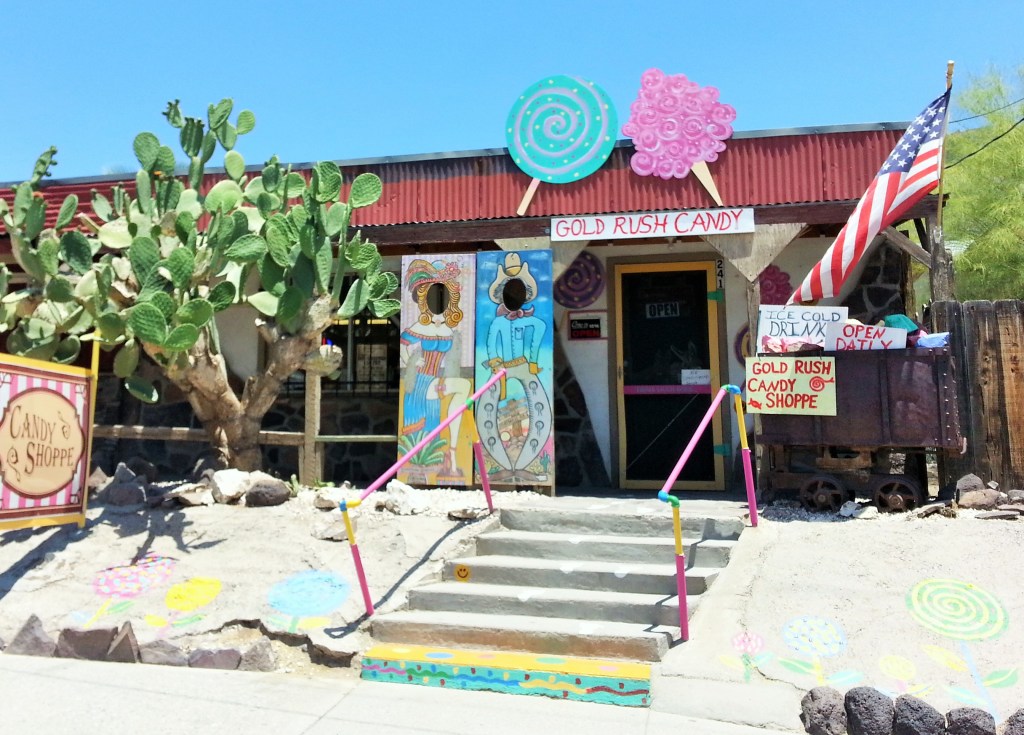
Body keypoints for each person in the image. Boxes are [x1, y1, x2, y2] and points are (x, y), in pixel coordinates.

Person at [476, 252, 551, 476]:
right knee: (487, 410)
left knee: (539, 410)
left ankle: (524, 464)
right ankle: (500, 463)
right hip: (503, 368)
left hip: (522, 366)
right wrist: (495, 362)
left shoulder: (528, 319)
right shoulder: (499, 321)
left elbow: (540, 327)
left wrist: (534, 359)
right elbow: (490, 342)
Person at [399, 260, 472, 473]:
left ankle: (451, 451)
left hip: (435, 382)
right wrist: (411, 361)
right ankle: (452, 453)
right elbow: (404, 344)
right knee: (464, 388)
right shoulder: (419, 326)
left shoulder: (449, 330)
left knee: (464, 388)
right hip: (421, 383)